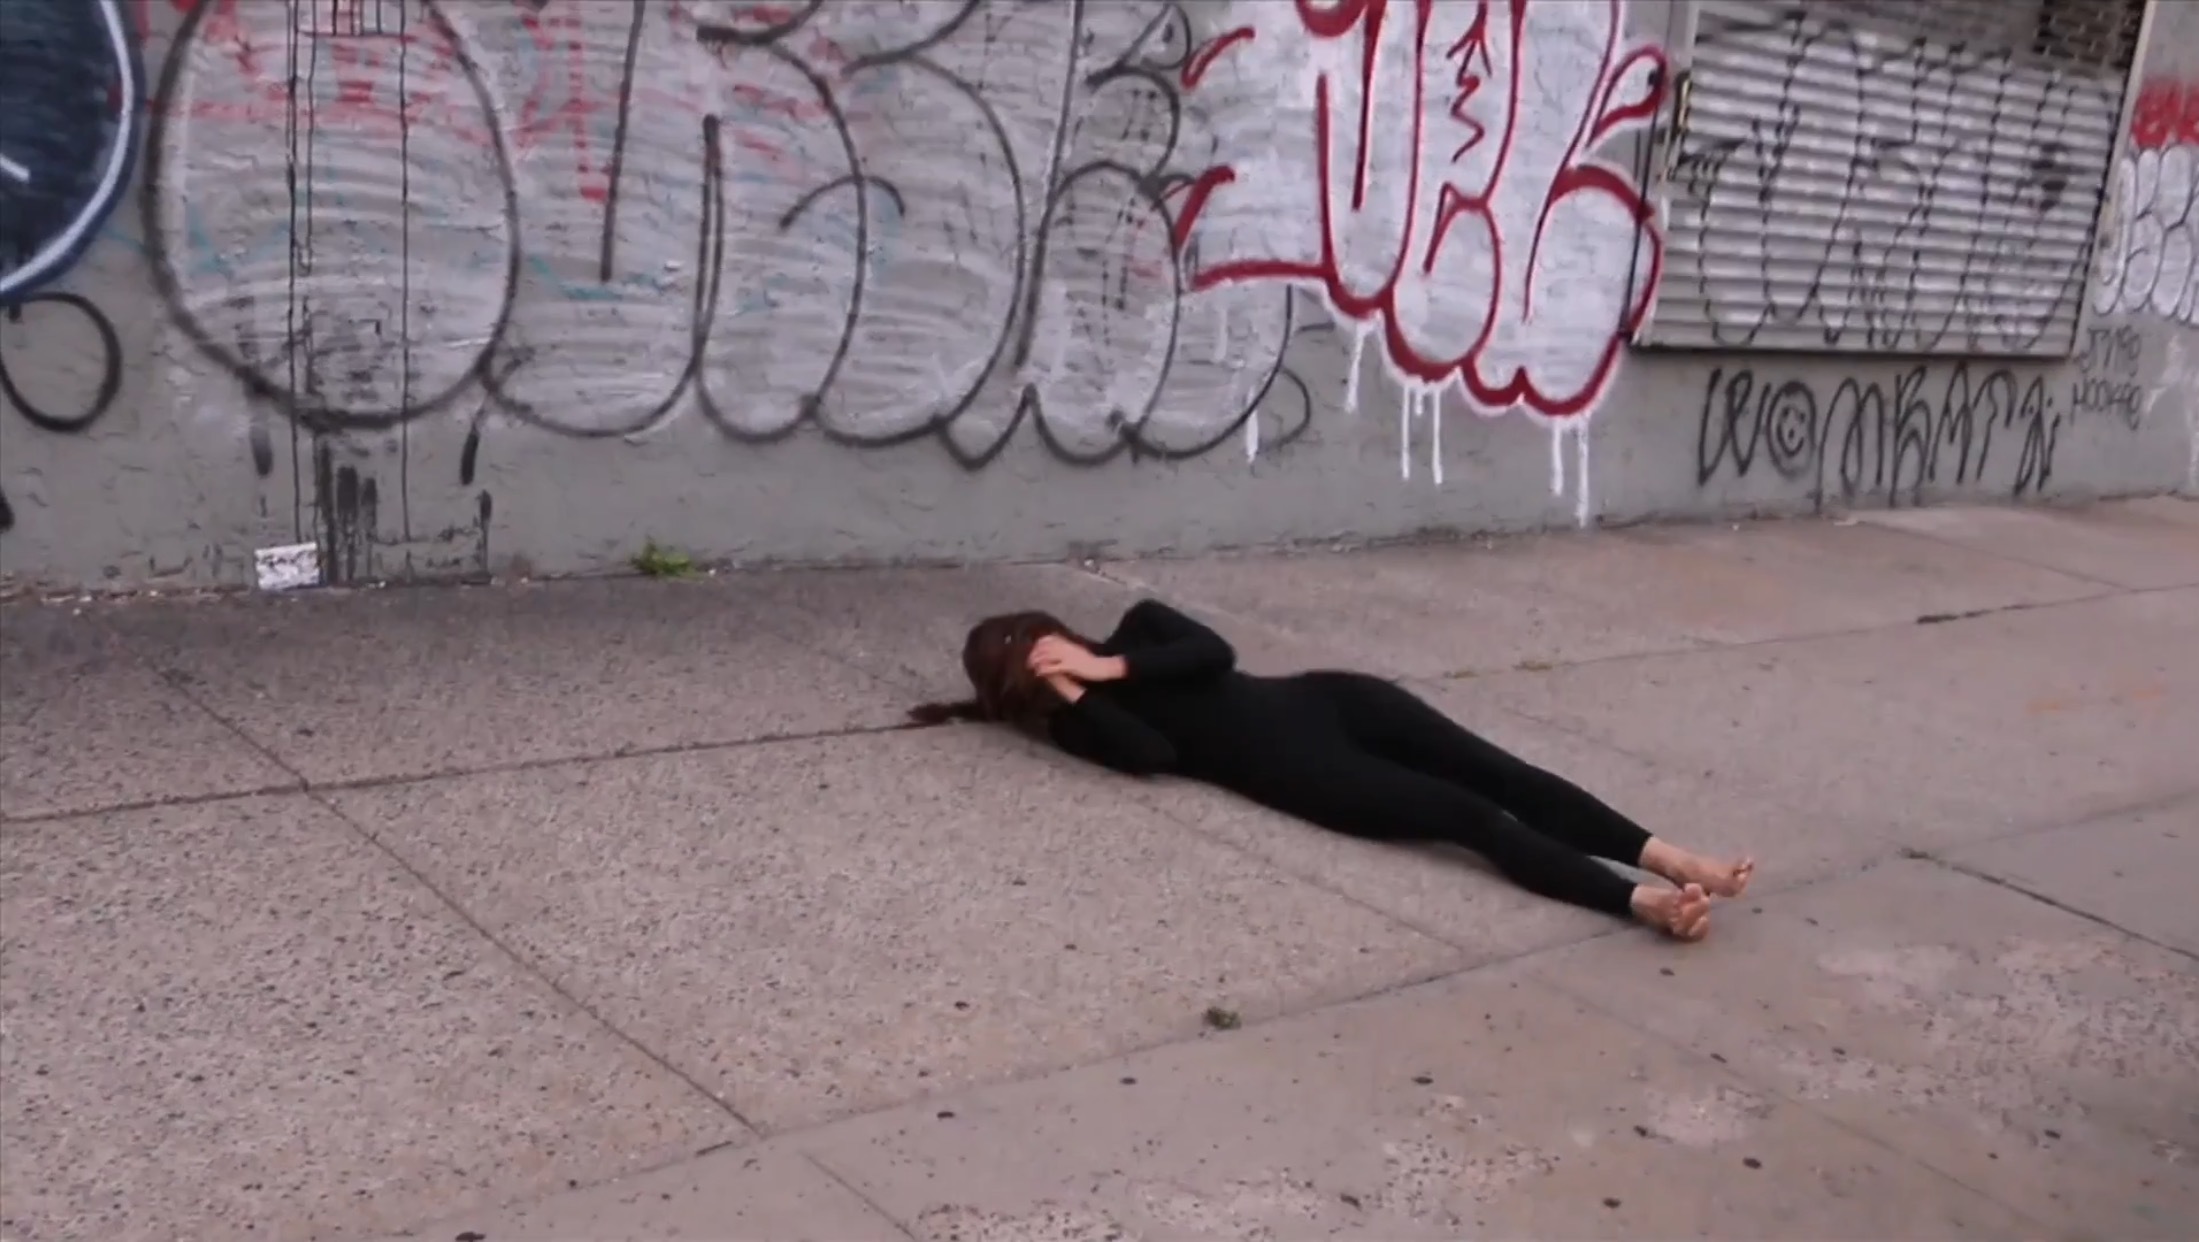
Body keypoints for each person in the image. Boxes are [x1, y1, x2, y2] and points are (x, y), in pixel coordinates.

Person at [909, 599, 1754, 941]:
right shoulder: (1083, 728)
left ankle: (1671, 858)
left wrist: (1108, 666)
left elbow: (1213, 653)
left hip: (1334, 702)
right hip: (1307, 777)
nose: (1047, 661)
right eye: (1029, 670)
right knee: (1469, 817)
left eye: (1041, 644)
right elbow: (1154, 755)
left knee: (1502, 771)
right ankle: (1640, 904)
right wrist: (1075, 693)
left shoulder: (1139, 629)